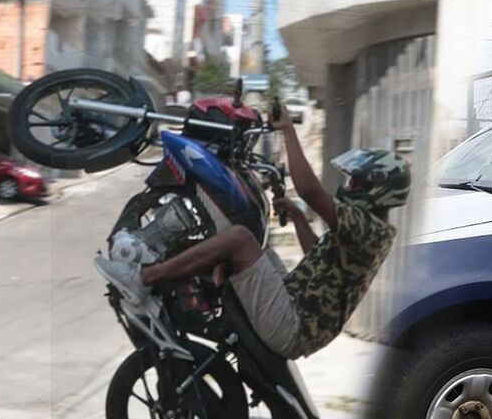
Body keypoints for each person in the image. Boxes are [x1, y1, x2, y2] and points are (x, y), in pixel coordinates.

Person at [94, 108, 410, 360]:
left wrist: (287, 129)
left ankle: (145, 278)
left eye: (356, 182)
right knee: (255, 242)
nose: (347, 186)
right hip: (294, 307)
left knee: (240, 239)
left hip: (293, 326)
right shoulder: (369, 230)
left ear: (377, 189)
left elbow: (311, 190)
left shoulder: (370, 229)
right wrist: (299, 217)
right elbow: (317, 255)